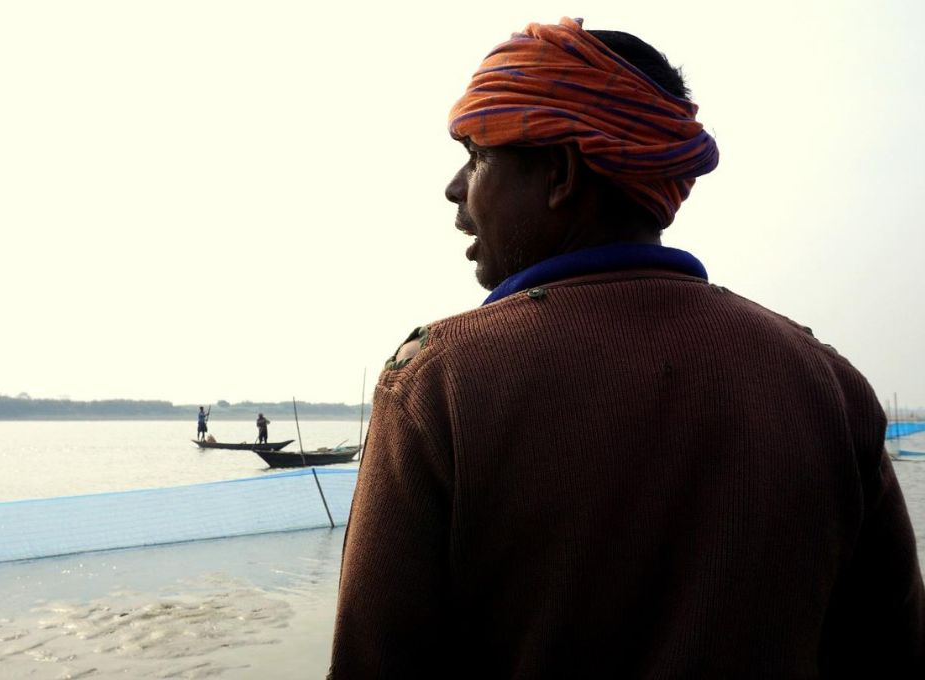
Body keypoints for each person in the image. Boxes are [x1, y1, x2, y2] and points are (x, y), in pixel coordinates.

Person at [330, 18, 924, 678]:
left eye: (477, 156)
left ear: (558, 173)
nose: (455, 190)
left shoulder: (437, 383)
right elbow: (891, 650)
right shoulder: (828, 384)